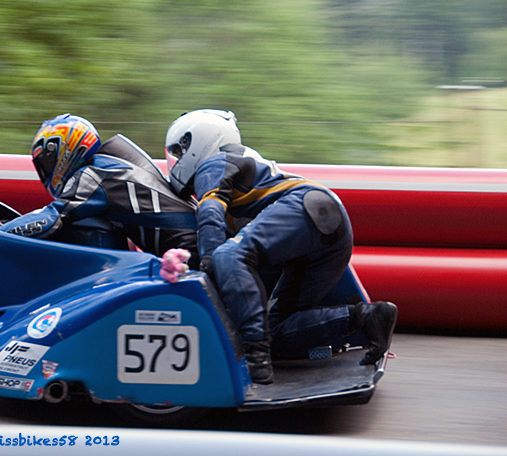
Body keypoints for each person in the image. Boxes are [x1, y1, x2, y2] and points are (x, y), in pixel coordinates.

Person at [164, 109, 397, 384]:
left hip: (305, 206)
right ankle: (367, 317)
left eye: (179, 152)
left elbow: (211, 211)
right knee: (275, 330)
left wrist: (208, 264)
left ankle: (255, 357)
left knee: (226, 255)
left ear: (197, 143)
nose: (176, 161)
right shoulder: (246, 160)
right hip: (329, 234)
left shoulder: (213, 164)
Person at [0, 114, 199, 262]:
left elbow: (51, 218)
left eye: (49, 163)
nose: (48, 171)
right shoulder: (113, 165)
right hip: (194, 248)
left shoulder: (95, 175)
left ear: (65, 152)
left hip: (188, 256)